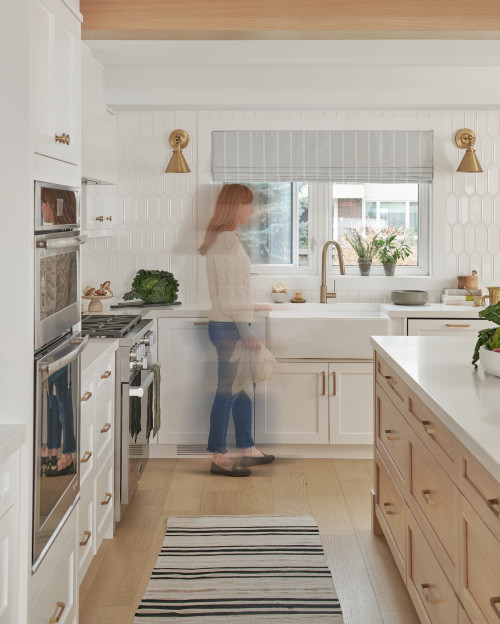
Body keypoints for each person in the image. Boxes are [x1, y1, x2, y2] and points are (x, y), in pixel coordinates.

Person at [199, 183, 274, 477]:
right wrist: (246, 332)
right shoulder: (227, 241)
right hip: (231, 329)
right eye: (248, 205)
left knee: (243, 390)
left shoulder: (224, 238)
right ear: (235, 207)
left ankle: (247, 448)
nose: (252, 210)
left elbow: (230, 292)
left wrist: (254, 306)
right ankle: (218, 456)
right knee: (228, 392)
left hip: (228, 323)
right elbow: (230, 298)